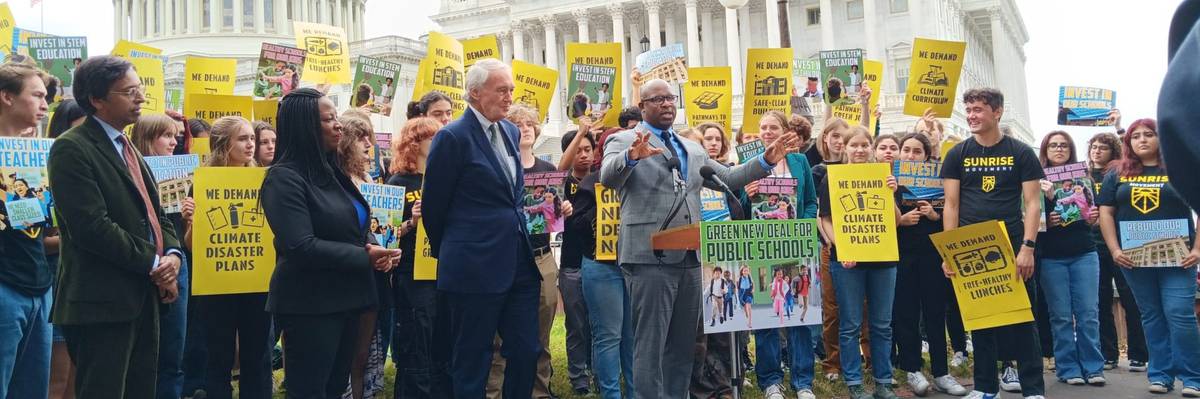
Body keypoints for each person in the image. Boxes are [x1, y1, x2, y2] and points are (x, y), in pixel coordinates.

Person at [599, 78, 799, 398]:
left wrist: (766, 161)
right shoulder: (624, 140)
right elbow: (608, 175)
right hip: (650, 257)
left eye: (670, 98)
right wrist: (631, 157)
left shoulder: (691, 147)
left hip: (691, 257)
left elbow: (728, 177)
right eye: (658, 99)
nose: (667, 103)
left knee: (683, 346)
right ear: (643, 106)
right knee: (651, 345)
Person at [48, 55, 184, 398]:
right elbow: (91, 226)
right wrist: (154, 263)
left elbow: (158, 214)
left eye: (139, 89)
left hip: (143, 297)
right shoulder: (72, 148)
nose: (140, 98)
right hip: (101, 301)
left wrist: (172, 254)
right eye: (129, 91)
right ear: (97, 99)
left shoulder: (129, 148)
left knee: (141, 389)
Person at [261, 88, 401, 398]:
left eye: (336, 117)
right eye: (328, 119)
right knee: (311, 390)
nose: (338, 125)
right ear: (305, 127)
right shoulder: (283, 179)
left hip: (350, 297)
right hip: (311, 304)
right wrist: (365, 255)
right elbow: (301, 246)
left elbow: (355, 222)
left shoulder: (332, 172)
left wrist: (376, 249)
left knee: (336, 387)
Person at [422, 58, 543, 399]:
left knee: (525, 350)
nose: (509, 97)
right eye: (501, 90)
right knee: (472, 358)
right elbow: (434, 209)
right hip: (473, 268)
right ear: (475, 93)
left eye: (511, 90)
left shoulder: (510, 131)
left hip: (518, 263)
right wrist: (460, 251)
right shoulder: (452, 137)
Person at [940, 88, 1046, 399]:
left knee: (1023, 317)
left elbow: (1033, 204)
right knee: (981, 319)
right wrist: (949, 252)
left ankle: (1033, 390)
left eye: (978, 109)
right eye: (969, 109)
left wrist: (1027, 247)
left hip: (1012, 245)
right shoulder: (957, 154)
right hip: (969, 246)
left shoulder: (1021, 152)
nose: (971, 115)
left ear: (996, 112)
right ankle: (986, 388)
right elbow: (951, 205)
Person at [1098, 118, 1200, 396]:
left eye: (1149, 134)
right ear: (1128, 143)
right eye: (1135, 136)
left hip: (1179, 258)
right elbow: (1106, 212)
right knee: (1151, 315)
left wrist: (1197, 249)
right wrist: (1115, 250)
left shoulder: (1182, 169)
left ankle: (1193, 377)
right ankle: (1161, 375)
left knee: (1180, 315)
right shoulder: (1117, 173)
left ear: (1160, 138)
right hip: (1134, 259)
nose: (1142, 140)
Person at [483, 102, 575, 399]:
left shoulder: (548, 169)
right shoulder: (498, 166)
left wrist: (564, 210)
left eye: (529, 125)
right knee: (498, 338)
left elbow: (553, 216)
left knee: (541, 335)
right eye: (518, 124)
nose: (524, 130)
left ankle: (539, 392)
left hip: (541, 257)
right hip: (505, 257)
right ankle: (494, 392)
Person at [179, 116, 273, 399]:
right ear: (223, 144)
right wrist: (191, 221)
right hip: (217, 286)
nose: (251, 144)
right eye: (243, 139)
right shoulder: (203, 184)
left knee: (256, 359)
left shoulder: (264, 182)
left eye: (251, 138)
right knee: (217, 360)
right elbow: (191, 247)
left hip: (256, 283)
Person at [817, 126, 901, 399]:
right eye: (855, 145)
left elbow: (896, 220)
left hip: (883, 258)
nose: (860, 150)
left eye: (866, 145)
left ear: (872, 148)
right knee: (850, 323)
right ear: (845, 148)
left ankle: (883, 381)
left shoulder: (884, 176)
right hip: (848, 260)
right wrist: (840, 247)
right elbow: (825, 219)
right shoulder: (832, 178)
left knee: (881, 324)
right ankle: (854, 383)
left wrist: (891, 193)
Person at [890, 132, 969, 396]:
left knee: (935, 313)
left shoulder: (938, 179)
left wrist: (934, 215)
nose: (910, 155)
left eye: (917, 151)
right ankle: (913, 368)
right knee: (907, 313)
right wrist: (899, 214)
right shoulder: (890, 180)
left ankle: (941, 372)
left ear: (926, 156)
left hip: (932, 254)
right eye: (907, 150)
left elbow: (951, 209)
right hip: (902, 254)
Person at [130, 113, 197, 399]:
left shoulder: (182, 175)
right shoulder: (129, 172)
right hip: (142, 266)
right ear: (147, 138)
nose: (174, 142)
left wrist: (190, 216)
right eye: (167, 136)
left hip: (176, 262)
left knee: (173, 348)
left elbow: (186, 237)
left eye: (176, 137)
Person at [386, 117, 453, 398]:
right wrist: (411, 222)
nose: (438, 142)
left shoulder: (446, 177)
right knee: (417, 342)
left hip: (444, 270)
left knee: (442, 341)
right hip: (413, 274)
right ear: (414, 144)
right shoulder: (398, 182)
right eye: (431, 137)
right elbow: (385, 237)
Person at [1035, 131, 1107, 386]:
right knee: (1061, 315)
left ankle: (1093, 367)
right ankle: (1067, 368)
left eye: (1064, 145)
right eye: (1053, 145)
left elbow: (1091, 217)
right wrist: (1048, 222)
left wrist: (1092, 216)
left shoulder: (1083, 178)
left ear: (1071, 149)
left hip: (1084, 252)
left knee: (1088, 313)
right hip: (1052, 256)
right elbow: (1030, 218)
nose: (1059, 149)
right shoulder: (1035, 180)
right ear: (1045, 150)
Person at [0, 62, 51, 398]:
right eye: (37, 96)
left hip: (39, 283)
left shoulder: (41, 154)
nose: (45, 104)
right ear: (6, 97)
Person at [335, 114, 391, 399]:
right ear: (345, 142)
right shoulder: (336, 178)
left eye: (369, 136)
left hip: (373, 270)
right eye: (361, 137)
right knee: (344, 353)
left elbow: (379, 225)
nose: (369, 144)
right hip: (346, 271)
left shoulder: (368, 177)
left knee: (363, 352)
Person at [1087, 131, 1149, 372]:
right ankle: (1108, 354)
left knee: (1131, 300)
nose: (1097, 150)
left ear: (1114, 150)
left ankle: (1138, 354)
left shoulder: (1123, 173)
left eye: (1103, 147)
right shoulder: (1082, 175)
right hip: (1093, 246)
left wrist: (1120, 127)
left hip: (1125, 245)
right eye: (1094, 146)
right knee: (1100, 302)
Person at [556, 127, 597, 395]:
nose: (583, 155)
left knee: (599, 324)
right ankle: (578, 377)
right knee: (576, 324)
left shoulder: (601, 179)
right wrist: (582, 128)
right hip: (571, 263)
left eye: (587, 149)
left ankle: (598, 371)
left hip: (600, 262)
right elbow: (560, 170)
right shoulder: (562, 183)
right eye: (577, 150)